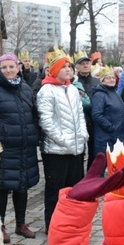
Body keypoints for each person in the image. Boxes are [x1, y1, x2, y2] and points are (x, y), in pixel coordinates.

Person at [0, 54, 40, 242]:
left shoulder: (26, 89)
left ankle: (20, 224)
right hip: (3, 149)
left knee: (22, 187)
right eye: (4, 67)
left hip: (24, 147)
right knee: (2, 189)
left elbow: (33, 116)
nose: (8, 70)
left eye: (11, 67)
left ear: (18, 67)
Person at [37, 48, 88, 234]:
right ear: (54, 70)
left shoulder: (73, 89)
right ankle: (52, 225)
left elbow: (80, 115)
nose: (68, 70)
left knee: (74, 189)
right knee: (55, 190)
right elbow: (46, 122)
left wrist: (83, 136)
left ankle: (71, 223)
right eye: (64, 66)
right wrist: (64, 141)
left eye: (70, 66)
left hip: (75, 149)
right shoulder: (46, 91)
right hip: (56, 151)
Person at [91, 66, 124, 156]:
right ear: (102, 80)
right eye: (108, 78)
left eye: (113, 78)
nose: (112, 80)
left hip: (118, 136)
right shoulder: (99, 95)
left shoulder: (115, 92)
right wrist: (111, 127)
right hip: (106, 138)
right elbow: (97, 115)